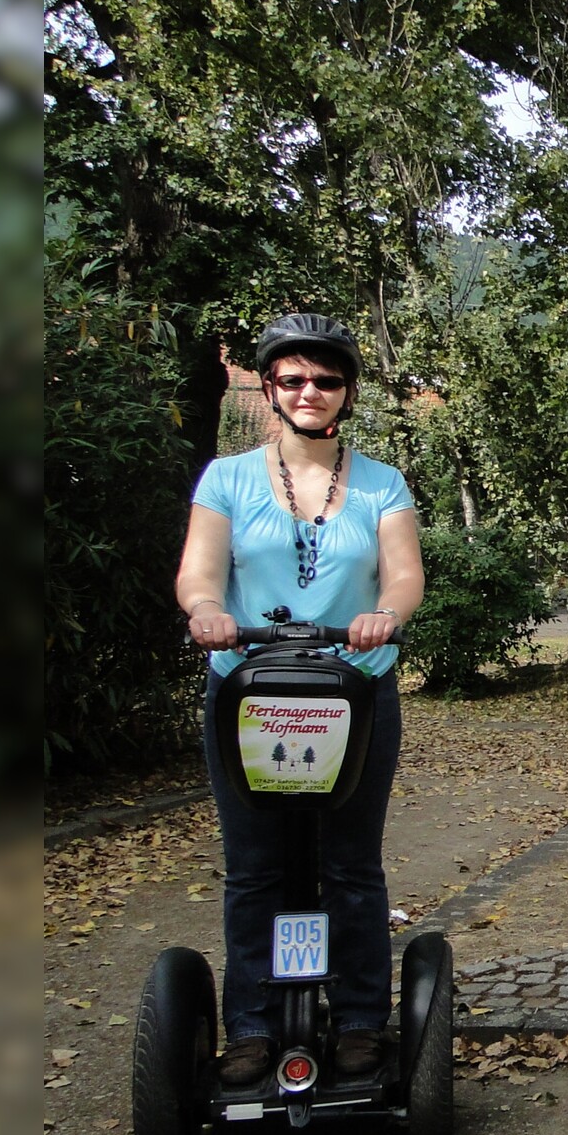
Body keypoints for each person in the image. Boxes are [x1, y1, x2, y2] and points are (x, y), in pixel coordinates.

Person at [175, 313, 424, 1086]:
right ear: (271, 388)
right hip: (250, 692)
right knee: (254, 866)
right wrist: (206, 611)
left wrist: (388, 612)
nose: (309, 391)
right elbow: (199, 571)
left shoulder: (382, 481)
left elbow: (405, 573)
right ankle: (250, 1023)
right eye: (292, 379)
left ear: (346, 391)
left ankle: (356, 1018)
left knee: (350, 863)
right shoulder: (227, 478)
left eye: (325, 379)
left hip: (355, 689)